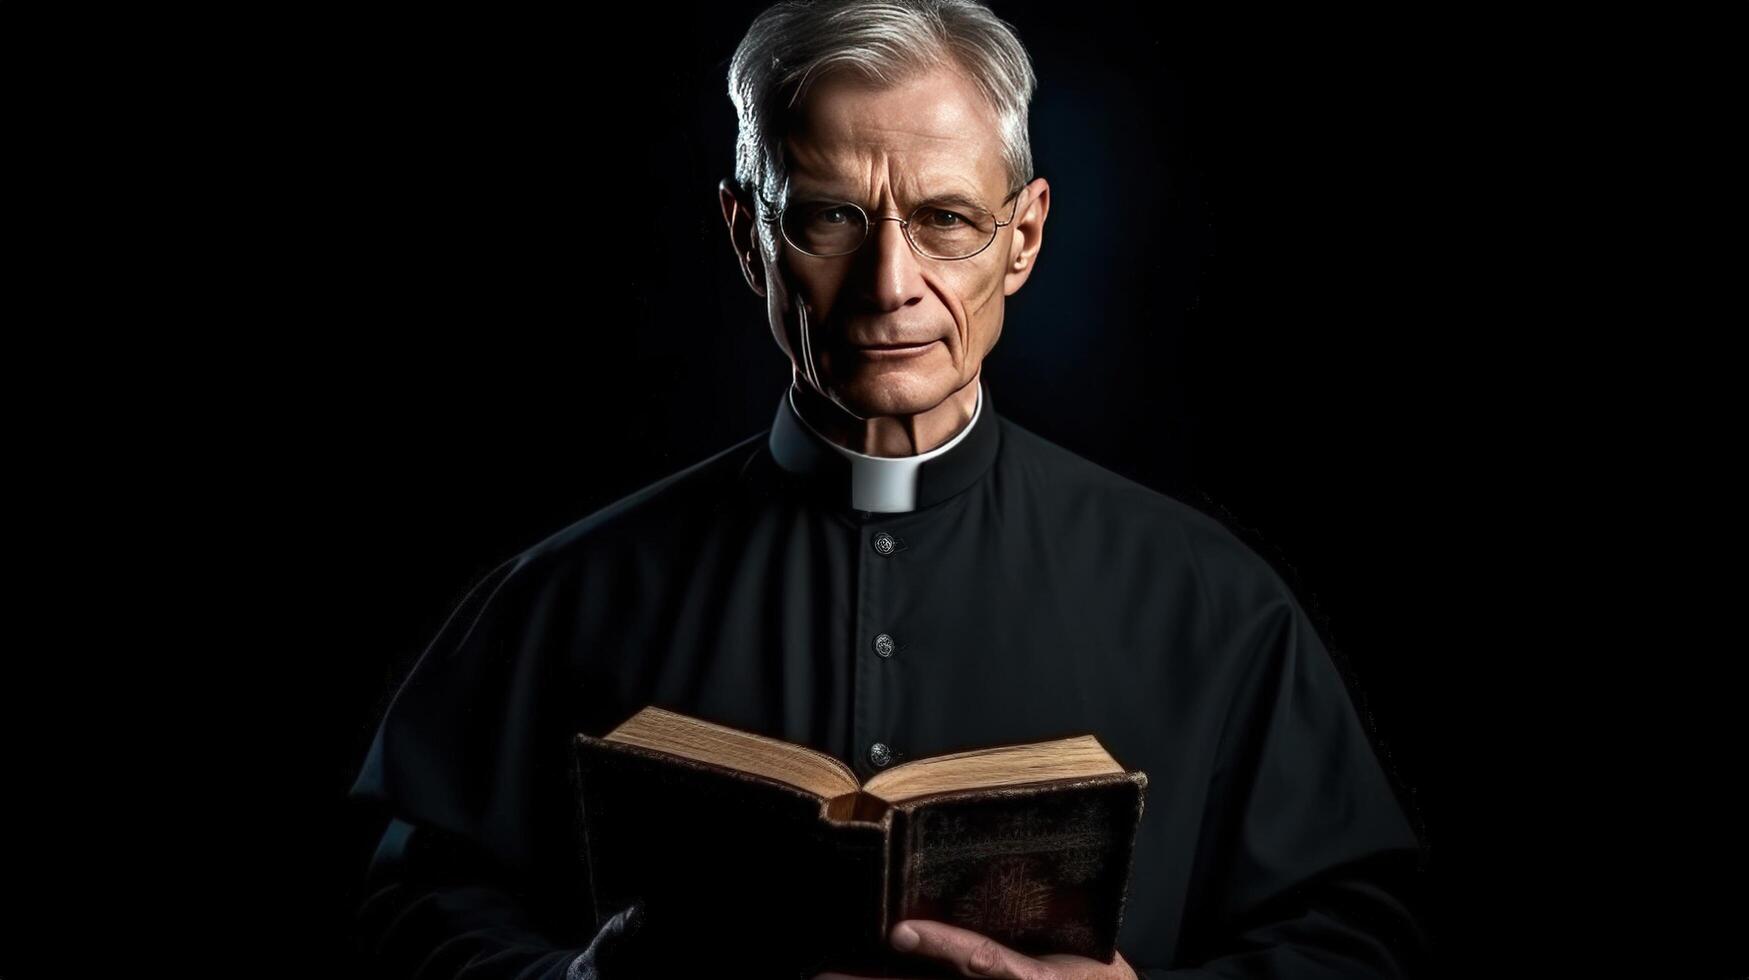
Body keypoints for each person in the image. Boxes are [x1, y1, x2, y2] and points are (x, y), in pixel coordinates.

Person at [346, 1, 1431, 977]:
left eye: (946, 220)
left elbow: (1366, 933)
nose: (888, 285)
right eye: (829, 217)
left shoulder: (1212, 601)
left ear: (1025, 236)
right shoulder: (568, 594)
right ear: (747, 237)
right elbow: (399, 912)